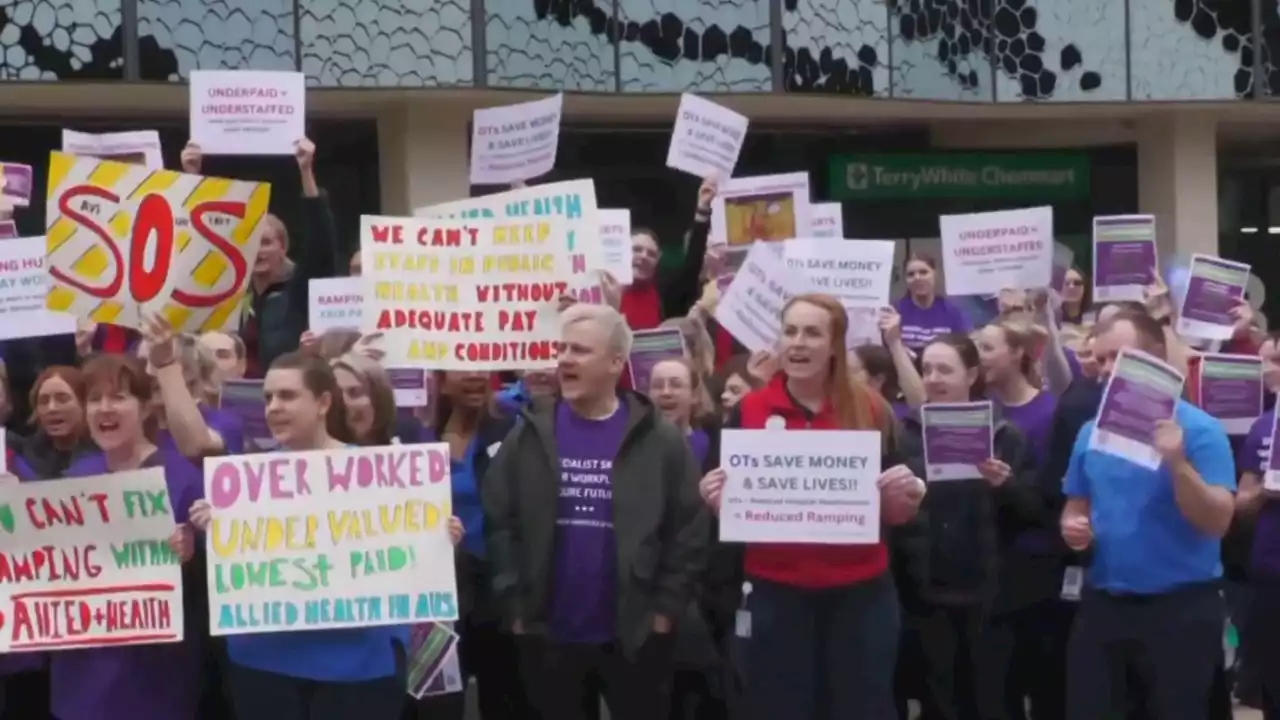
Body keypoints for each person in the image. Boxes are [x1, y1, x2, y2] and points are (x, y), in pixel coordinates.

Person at [187, 351, 462, 719]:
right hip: (265, 663)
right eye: (268, 398)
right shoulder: (243, 485)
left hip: (359, 666)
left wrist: (438, 538)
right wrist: (213, 525)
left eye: (287, 396)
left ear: (323, 403)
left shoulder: (379, 474)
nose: (274, 408)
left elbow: (411, 557)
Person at [697, 293, 926, 720]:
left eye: (812, 333)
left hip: (860, 597)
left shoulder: (871, 409)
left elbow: (900, 505)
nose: (798, 343)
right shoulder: (748, 411)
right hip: (774, 595)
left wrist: (907, 497)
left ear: (835, 344)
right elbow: (723, 499)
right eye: (790, 331)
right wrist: (714, 499)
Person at [482, 303, 708, 720]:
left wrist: (663, 613)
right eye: (562, 348)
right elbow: (500, 519)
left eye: (581, 351)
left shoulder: (657, 438)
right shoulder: (530, 432)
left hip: (635, 636)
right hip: (549, 635)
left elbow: (688, 530)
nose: (565, 358)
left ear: (615, 363)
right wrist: (515, 606)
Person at [1061, 310, 1236, 720]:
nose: (1104, 370)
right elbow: (1076, 504)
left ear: (1154, 359)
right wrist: (1073, 527)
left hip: (1180, 609)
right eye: (1098, 359)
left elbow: (1218, 521)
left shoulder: (1201, 430)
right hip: (1105, 604)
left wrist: (1176, 462)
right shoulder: (1090, 433)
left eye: (1115, 357)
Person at [892, 332, 1042, 720]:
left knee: (991, 703)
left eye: (945, 369)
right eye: (926, 369)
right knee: (938, 703)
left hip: (988, 598)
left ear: (972, 374)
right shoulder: (905, 433)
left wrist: (1005, 484)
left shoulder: (1005, 435)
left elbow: (1034, 513)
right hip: (926, 596)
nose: (933, 378)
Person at [51, 354, 205, 720]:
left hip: (153, 677)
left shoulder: (183, 476)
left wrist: (192, 553)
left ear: (146, 405)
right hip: (81, 675)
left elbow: (219, 577)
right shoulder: (73, 480)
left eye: (119, 397)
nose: (105, 408)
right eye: (94, 399)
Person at [408, 370, 529, 720]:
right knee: (438, 704)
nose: (476, 375)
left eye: (481, 368)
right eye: (463, 368)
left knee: (505, 697)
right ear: (441, 379)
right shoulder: (417, 437)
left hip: (499, 585)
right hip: (440, 593)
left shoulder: (513, 425)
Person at [185, 139, 340, 376]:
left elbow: (321, 243)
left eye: (266, 242)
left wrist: (306, 170)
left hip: (283, 393)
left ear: (283, 247)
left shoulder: (298, 290)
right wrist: (191, 176)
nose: (258, 251)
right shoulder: (228, 292)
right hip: (231, 397)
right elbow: (196, 242)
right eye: (250, 243)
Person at [895, 254, 972, 352]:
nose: (917, 278)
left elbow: (965, 349)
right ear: (906, 280)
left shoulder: (953, 312)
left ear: (935, 274)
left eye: (923, 272)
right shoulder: (896, 311)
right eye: (911, 274)